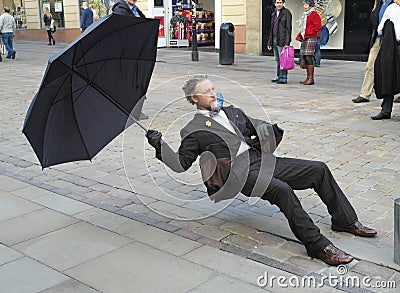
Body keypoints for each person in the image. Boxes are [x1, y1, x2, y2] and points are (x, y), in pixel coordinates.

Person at [146, 75, 377, 266]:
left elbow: (256, 128)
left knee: (318, 169)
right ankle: (318, 246)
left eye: (213, 88)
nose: (213, 93)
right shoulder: (193, 129)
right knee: (282, 190)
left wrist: (272, 130)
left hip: (260, 160)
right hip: (238, 174)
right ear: (194, 98)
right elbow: (181, 163)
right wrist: (160, 146)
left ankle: (344, 220)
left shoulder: (233, 111)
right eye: (207, 91)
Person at [112, 0, 148, 120]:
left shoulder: (136, 10)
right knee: (129, 82)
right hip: (127, 54)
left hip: (138, 52)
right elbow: (119, 32)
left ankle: (137, 111)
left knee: (139, 81)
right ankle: (128, 111)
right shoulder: (120, 9)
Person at [352, 0, 392, 103]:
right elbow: (374, 20)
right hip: (378, 38)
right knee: (370, 65)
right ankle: (365, 94)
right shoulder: (378, 2)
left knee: (393, 66)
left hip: (392, 38)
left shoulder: (393, 2)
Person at [371, 0, 400, 120]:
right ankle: (386, 110)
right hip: (392, 46)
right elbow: (380, 28)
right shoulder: (391, 8)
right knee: (388, 76)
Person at [296, 0, 321, 85]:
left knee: (308, 57)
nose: (304, 6)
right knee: (305, 57)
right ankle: (308, 78)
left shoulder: (314, 14)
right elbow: (304, 27)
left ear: (310, 6)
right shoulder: (306, 14)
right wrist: (301, 35)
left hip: (311, 37)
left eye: (306, 5)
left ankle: (311, 78)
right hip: (305, 37)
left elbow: (318, 27)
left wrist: (308, 32)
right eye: (304, 5)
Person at [267, 0, 292, 84]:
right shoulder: (273, 14)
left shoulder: (286, 13)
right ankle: (279, 76)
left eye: (280, 2)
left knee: (283, 60)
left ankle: (283, 77)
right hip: (274, 39)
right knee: (277, 59)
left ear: (283, 3)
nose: (279, 4)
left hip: (282, 39)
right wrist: (269, 42)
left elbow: (288, 28)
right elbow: (271, 29)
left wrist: (287, 43)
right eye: (277, 2)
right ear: (275, 4)